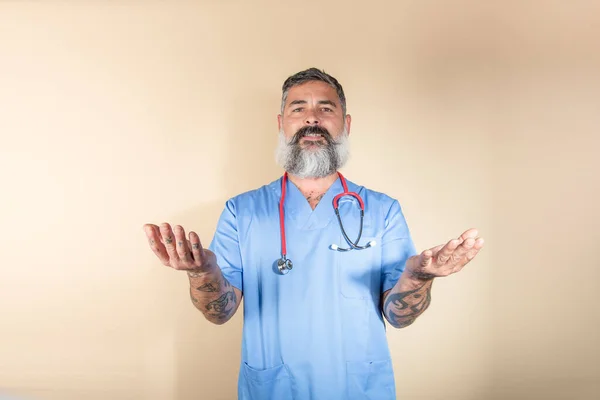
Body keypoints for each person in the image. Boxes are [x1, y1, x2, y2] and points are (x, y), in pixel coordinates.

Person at [143, 68, 485, 399]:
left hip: (356, 388)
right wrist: (202, 271)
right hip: (274, 387)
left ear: (345, 124)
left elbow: (399, 316)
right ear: (281, 124)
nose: (312, 119)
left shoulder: (383, 210)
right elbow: (220, 312)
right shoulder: (242, 211)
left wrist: (418, 276)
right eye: (298, 108)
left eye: (325, 108)